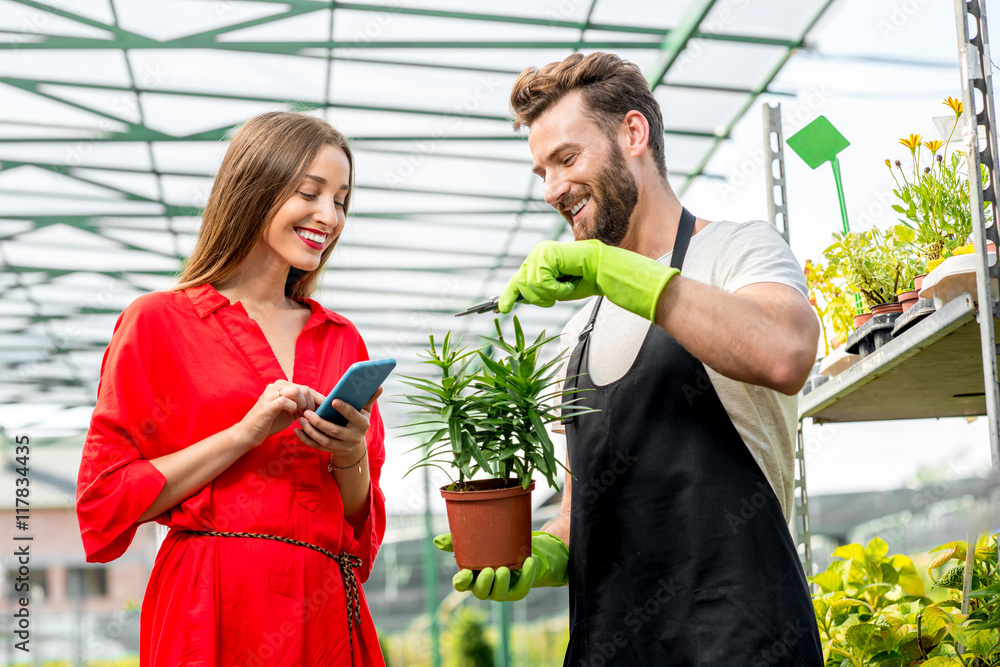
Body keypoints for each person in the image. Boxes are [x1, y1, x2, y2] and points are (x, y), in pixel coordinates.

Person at [435, 53, 825, 665]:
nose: (551, 189)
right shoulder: (578, 332)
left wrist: (614, 271)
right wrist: (544, 554)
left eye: (567, 158)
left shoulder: (734, 251)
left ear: (633, 133)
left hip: (743, 640)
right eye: (541, 170)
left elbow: (787, 352)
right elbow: (581, 510)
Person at [76, 112, 387, 666]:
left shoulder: (342, 339)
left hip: (324, 610)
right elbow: (106, 499)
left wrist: (350, 454)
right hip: (208, 604)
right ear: (255, 190)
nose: (329, 216)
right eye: (309, 193)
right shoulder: (157, 323)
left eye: (340, 200)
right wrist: (244, 434)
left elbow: (358, 527)